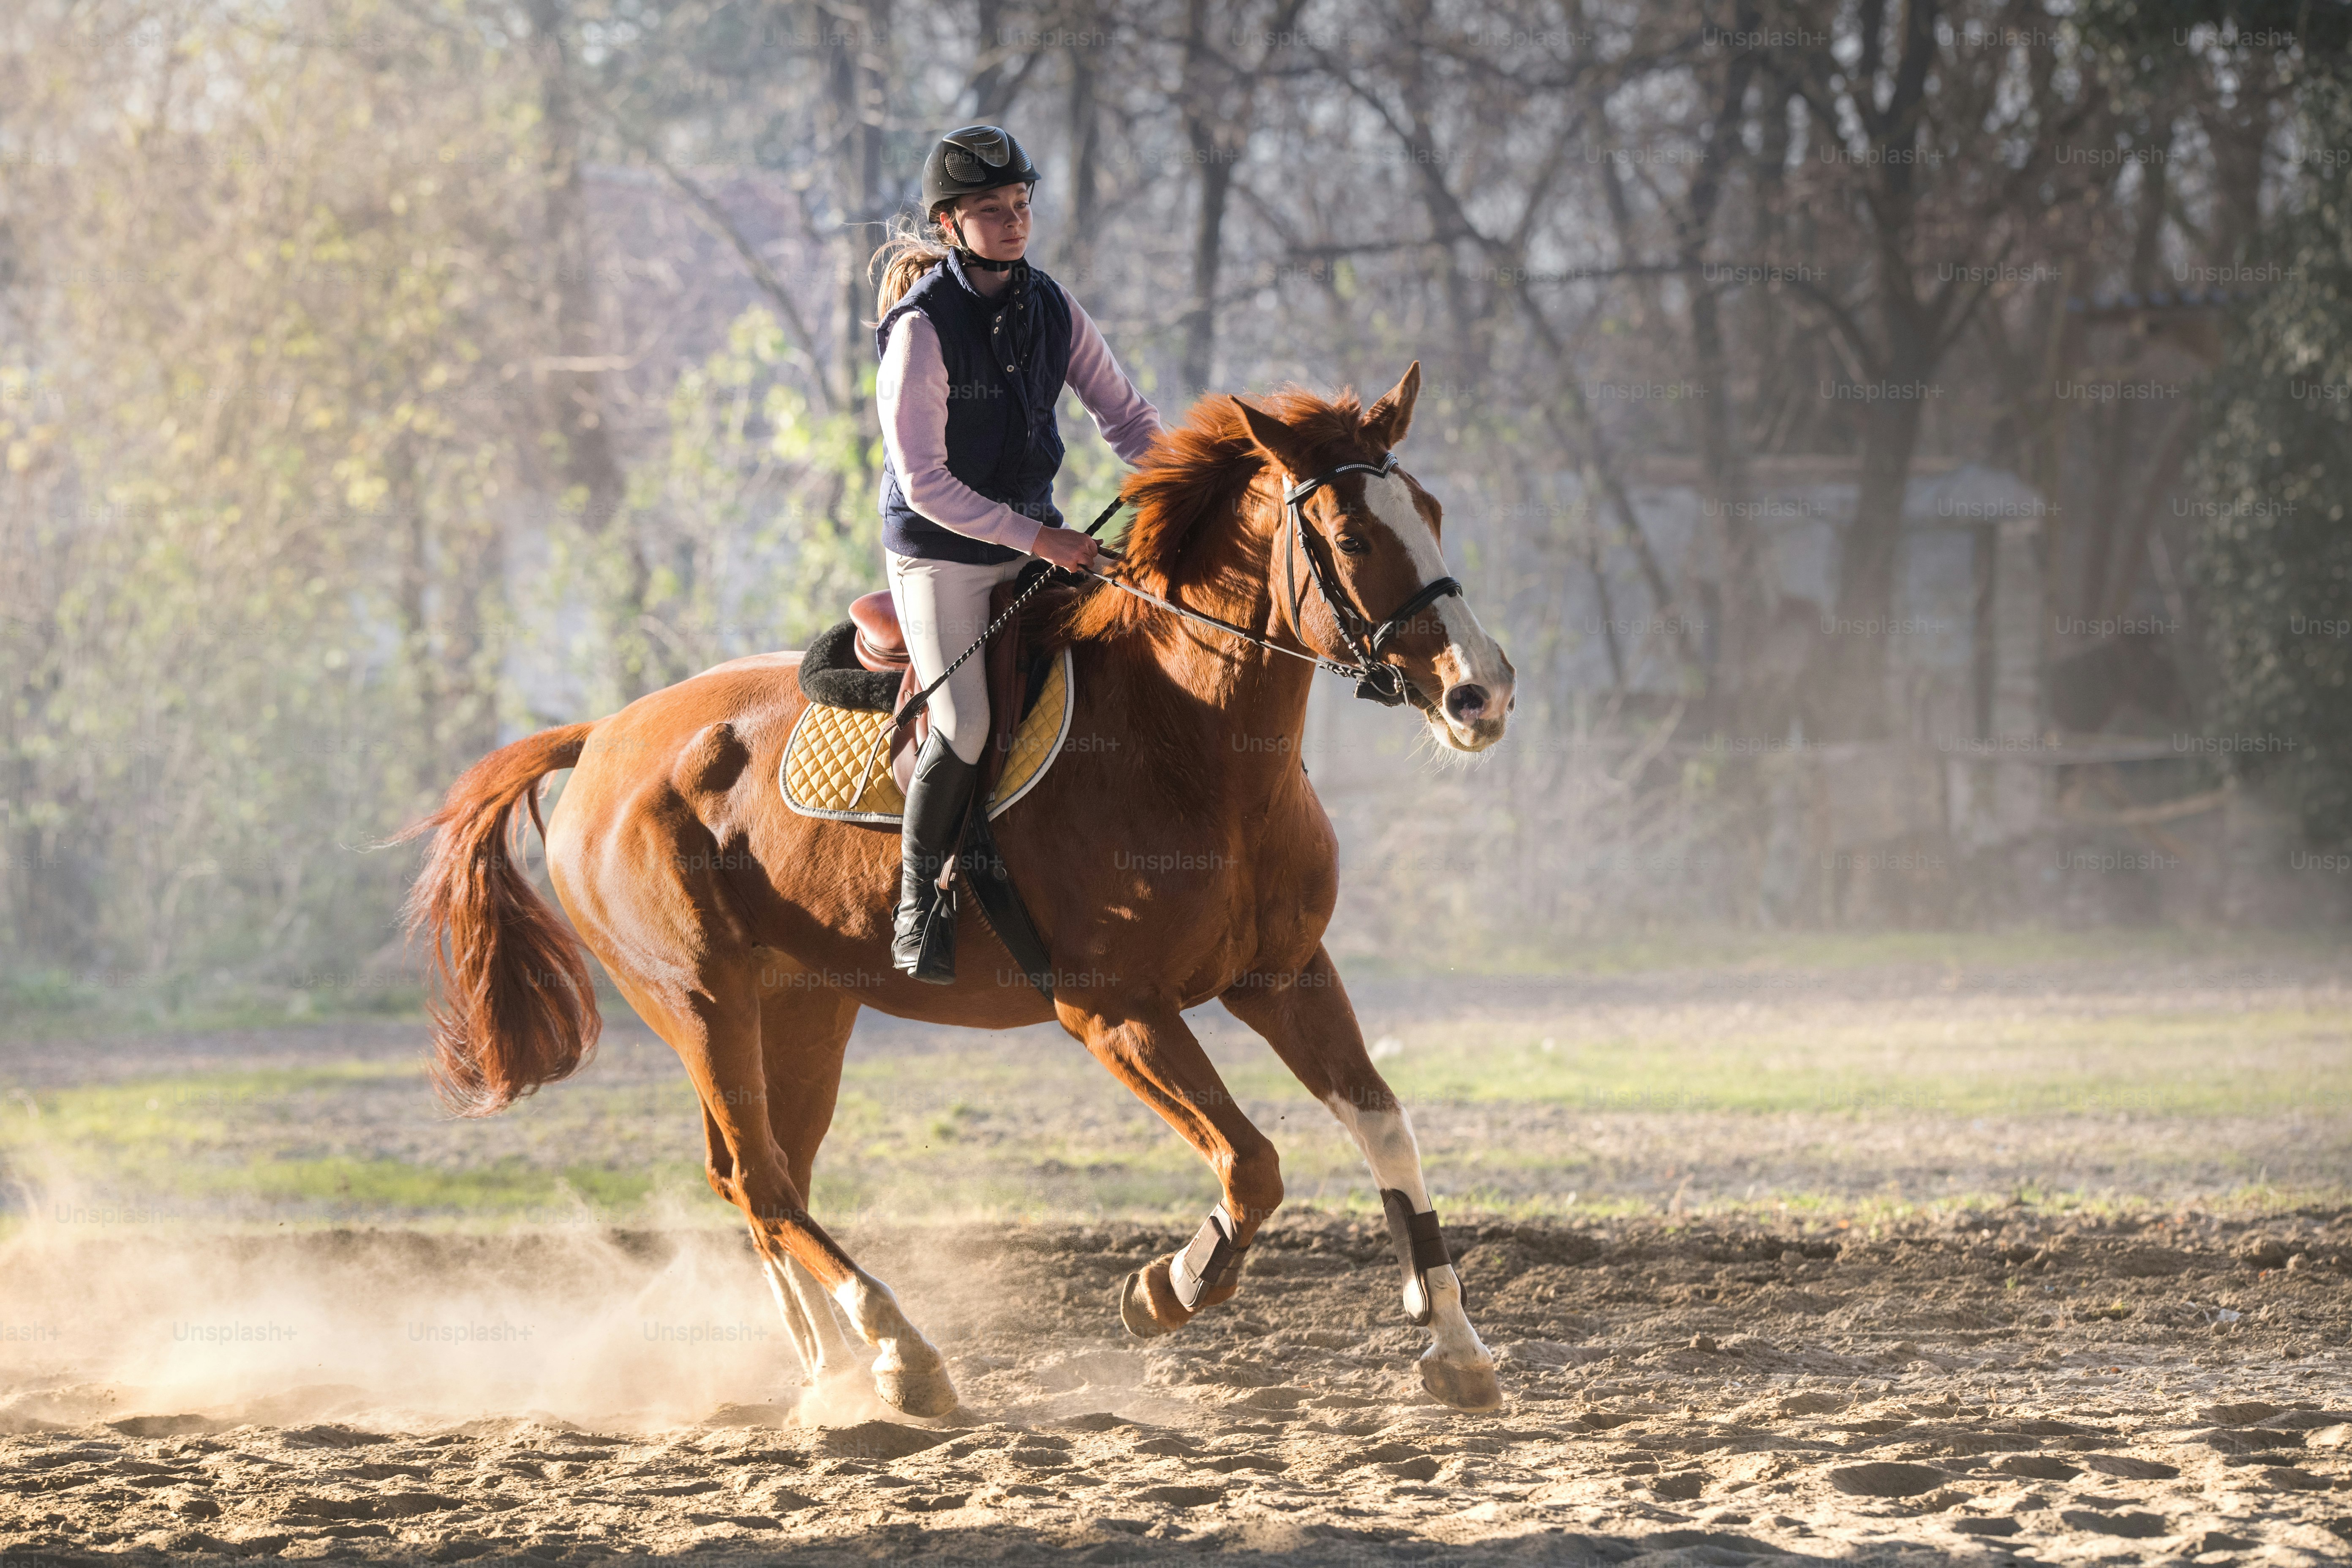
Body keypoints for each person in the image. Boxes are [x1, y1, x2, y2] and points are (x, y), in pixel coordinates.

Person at [869, 125, 1164, 984]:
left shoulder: (1054, 307)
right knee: (965, 723)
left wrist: (1197, 480)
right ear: (952, 224)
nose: (1014, 223)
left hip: (1039, 538)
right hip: (942, 555)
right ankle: (919, 904)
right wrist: (1043, 540)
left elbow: (1129, 420)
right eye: (993, 211)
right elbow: (924, 481)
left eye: (1023, 206)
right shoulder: (922, 330)